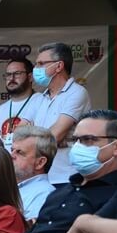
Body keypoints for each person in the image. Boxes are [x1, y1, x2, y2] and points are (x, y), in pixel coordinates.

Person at [32, 42, 92, 185]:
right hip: (41, 177)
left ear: (59, 66)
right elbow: (23, 130)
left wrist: (42, 138)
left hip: (67, 176)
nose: (36, 69)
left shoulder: (77, 92)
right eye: (36, 64)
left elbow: (55, 135)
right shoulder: (41, 98)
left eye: (41, 63)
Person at [0, 58, 42, 150]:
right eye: (8, 75)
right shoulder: (0, 110)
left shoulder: (42, 101)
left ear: (30, 77)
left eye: (17, 74)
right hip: (6, 163)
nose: (11, 78)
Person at [10, 125, 57, 221]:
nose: (11, 156)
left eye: (19, 152)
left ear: (40, 163)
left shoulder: (44, 194)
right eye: (12, 150)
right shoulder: (11, 188)